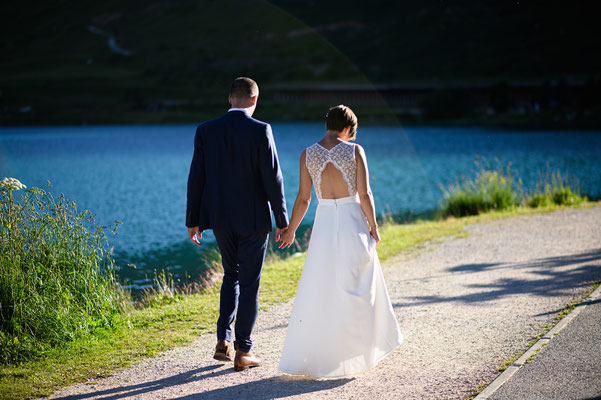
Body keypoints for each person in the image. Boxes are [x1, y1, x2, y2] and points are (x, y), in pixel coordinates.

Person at [278, 105, 402, 378]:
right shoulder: (355, 150)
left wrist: (291, 230)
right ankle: (357, 352)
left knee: (323, 285)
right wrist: (374, 224)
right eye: (352, 131)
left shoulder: (307, 154)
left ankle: (326, 353)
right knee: (359, 283)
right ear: (348, 128)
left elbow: (304, 199)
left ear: (328, 124)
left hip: (324, 224)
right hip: (351, 221)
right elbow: (365, 192)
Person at [186, 77, 288, 371]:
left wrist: (193, 220)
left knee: (230, 275)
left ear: (229, 99)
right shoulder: (261, 130)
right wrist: (282, 220)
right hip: (253, 220)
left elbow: (196, 178)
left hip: (219, 219)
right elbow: (273, 178)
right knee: (250, 284)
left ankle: (223, 341)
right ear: (255, 101)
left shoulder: (206, 130)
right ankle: (244, 351)